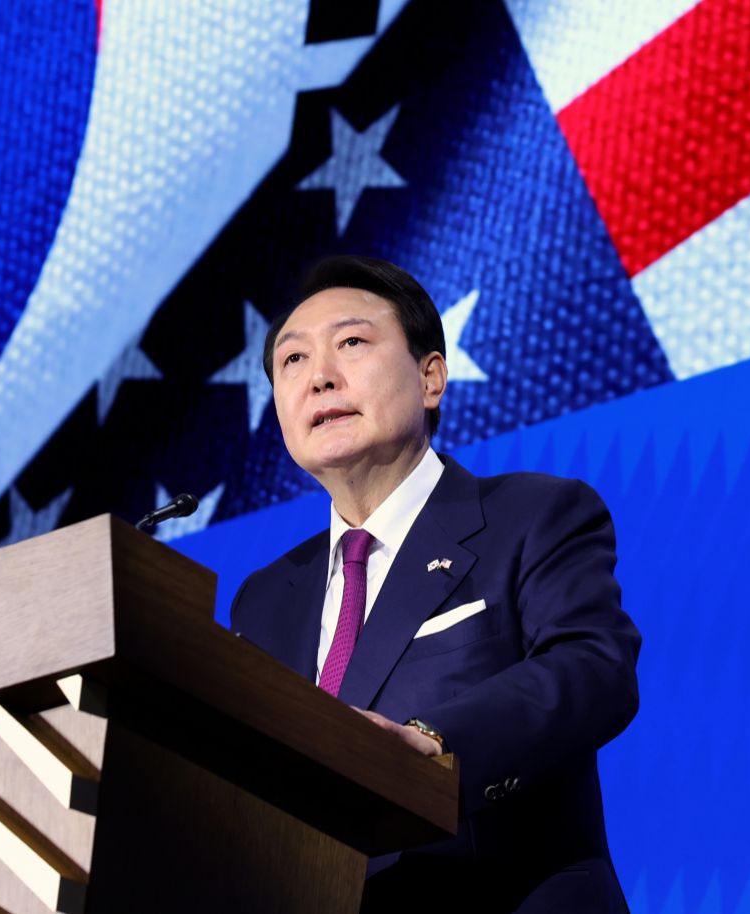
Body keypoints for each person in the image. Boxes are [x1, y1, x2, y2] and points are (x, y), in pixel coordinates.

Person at [228, 255, 642, 913]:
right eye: (292, 362)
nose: (319, 378)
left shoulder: (532, 515)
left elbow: (593, 669)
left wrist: (431, 744)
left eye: (352, 343)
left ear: (431, 378)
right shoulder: (264, 599)